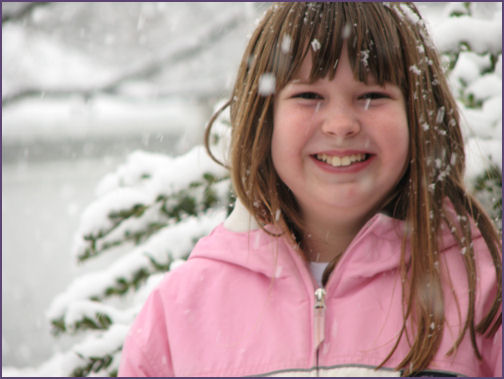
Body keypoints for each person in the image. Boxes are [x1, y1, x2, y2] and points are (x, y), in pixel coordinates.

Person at [118, 3, 502, 377]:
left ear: (418, 116)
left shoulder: (485, 291)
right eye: (308, 96)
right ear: (263, 119)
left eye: (372, 95)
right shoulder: (181, 312)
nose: (340, 124)